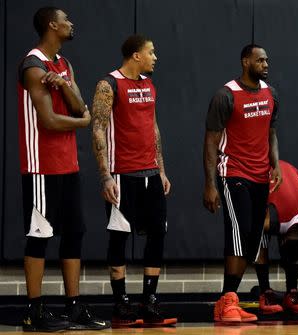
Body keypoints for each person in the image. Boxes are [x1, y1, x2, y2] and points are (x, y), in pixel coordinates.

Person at [18, 7, 109, 332]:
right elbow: (50, 120)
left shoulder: (63, 64)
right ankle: (34, 311)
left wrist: (65, 85)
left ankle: (73, 308)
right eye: (66, 19)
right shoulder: (32, 65)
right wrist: (84, 121)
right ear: (52, 26)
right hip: (41, 166)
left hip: (68, 164)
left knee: (75, 233)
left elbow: (77, 104)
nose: (71, 23)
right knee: (40, 236)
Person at [91, 34, 176, 328]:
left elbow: (153, 129)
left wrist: (161, 169)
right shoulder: (109, 84)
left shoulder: (149, 85)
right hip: (120, 174)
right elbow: (98, 130)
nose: (155, 57)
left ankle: (149, 301)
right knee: (119, 237)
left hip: (150, 173)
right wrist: (105, 176)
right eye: (151, 52)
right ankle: (120, 305)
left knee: (157, 235)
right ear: (136, 55)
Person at [203, 44, 282, 323]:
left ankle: (227, 301)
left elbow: (271, 132)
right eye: (260, 59)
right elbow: (211, 141)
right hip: (233, 174)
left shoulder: (270, 93)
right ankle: (228, 301)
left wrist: (275, 163)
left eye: (267, 60)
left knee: (254, 238)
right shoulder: (226, 95)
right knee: (239, 236)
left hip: (261, 175)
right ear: (245, 61)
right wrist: (210, 184)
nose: (265, 64)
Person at [255, 160, 298, 315]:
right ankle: (266, 293)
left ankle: (292, 293)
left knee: (292, 241)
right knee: (260, 232)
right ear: (281, 240)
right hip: (264, 173)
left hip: (292, 175)